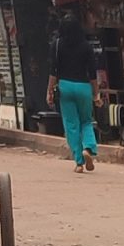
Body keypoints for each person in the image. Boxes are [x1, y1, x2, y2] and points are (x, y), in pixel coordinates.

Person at [47, 11, 105, 170]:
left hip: (65, 87)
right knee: (86, 121)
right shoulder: (86, 46)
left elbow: (53, 71)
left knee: (71, 124)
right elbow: (92, 73)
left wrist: (49, 91)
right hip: (83, 87)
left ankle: (79, 162)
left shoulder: (56, 45)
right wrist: (96, 93)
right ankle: (89, 148)